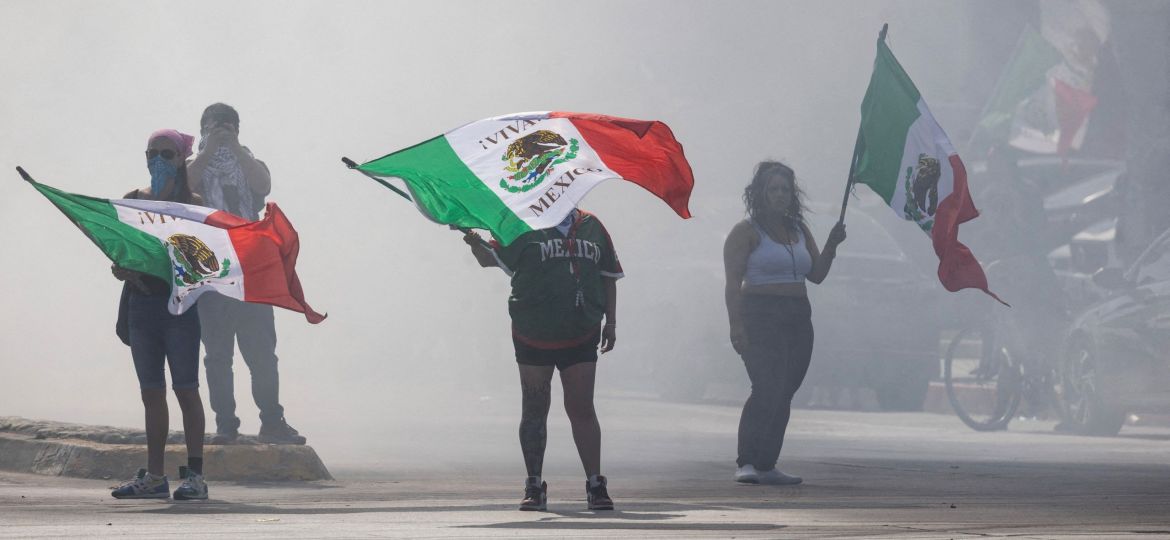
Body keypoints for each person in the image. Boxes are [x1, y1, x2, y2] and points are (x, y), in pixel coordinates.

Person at [464, 208, 620, 511]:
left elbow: (608, 276)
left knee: (581, 406)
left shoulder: (592, 226)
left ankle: (596, 484)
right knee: (535, 408)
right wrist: (474, 243)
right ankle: (534, 484)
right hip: (533, 330)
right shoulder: (520, 222)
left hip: (582, 327)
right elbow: (490, 259)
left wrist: (611, 322)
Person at [186, 103, 305, 445]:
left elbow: (263, 184)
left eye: (228, 126)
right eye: (215, 125)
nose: (222, 131)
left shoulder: (250, 161)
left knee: (262, 353)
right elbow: (186, 185)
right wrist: (208, 151)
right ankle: (226, 424)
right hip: (211, 271)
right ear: (204, 128)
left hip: (251, 268)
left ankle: (272, 420)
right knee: (218, 355)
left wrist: (236, 149)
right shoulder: (194, 166)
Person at [723, 160, 846, 485]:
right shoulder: (746, 231)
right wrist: (736, 325)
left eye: (785, 190)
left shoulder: (799, 231)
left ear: (793, 194)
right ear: (760, 194)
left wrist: (832, 245)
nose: (779, 195)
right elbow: (732, 283)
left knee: (786, 390)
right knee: (766, 387)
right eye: (773, 189)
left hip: (797, 315)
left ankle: (767, 463)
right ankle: (746, 461)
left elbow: (816, 275)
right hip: (760, 314)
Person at [110, 129, 209, 500]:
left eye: (166, 153)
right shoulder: (133, 199)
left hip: (179, 308)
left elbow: (205, 258)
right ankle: (154, 476)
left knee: (186, 390)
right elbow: (120, 249)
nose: (157, 160)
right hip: (141, 305)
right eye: (151, 152)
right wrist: (122, 269)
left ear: (181, 158)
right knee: (151, 392)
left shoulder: (193, 204)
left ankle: (195, 476)